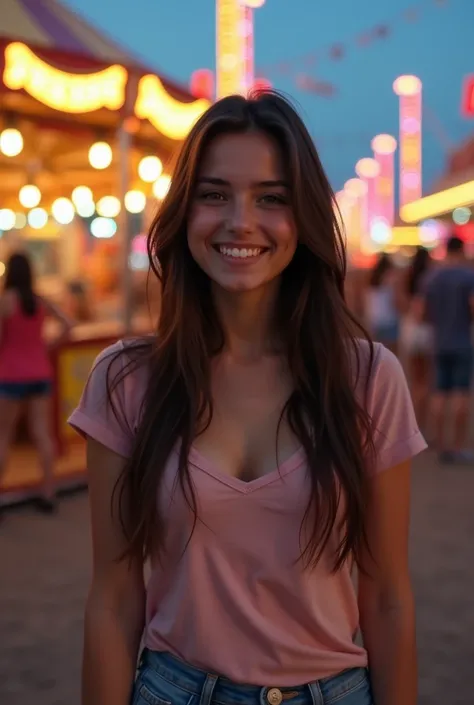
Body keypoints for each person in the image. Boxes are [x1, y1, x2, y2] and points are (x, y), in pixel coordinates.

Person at [69, 92, 426, 705]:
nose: (240, 220)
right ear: (185, 213)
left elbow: (388, 597)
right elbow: (113, 598)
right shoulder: (126, 380)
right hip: (172, 690)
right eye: (214, 194)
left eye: (271, 198)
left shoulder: (367, 379)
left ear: (303, 216)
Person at [0, 252, 72, 511]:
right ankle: (49, 493)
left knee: (3, 435)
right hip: (40, 373)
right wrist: (47, 347)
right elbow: (68, 324)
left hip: (10, 375)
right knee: (42, 433)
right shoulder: (40, 301)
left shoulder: (5, 301)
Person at [416, 235, 474, 462]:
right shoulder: (468, 276)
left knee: (439, 393)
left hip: (438, 342)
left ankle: (440, 444)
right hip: (462, 341)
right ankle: (457, 447)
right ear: (460, 251)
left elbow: (421, 312)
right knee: (461, 394)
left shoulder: (432, 277)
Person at [400, 248, 433, 432]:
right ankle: (421, 422)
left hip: (410, 328)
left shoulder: (408, 276)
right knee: (425, 380)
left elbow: (400, 302)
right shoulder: (431, 277)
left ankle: (411, 421)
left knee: (414, 379)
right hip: (427, 331)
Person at [364, 253, 401, 353]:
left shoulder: (371, 280)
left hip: (375, 320)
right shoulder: (391, 280)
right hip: (390, 320)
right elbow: (396, 301)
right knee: (391, 354)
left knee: (378, 353)